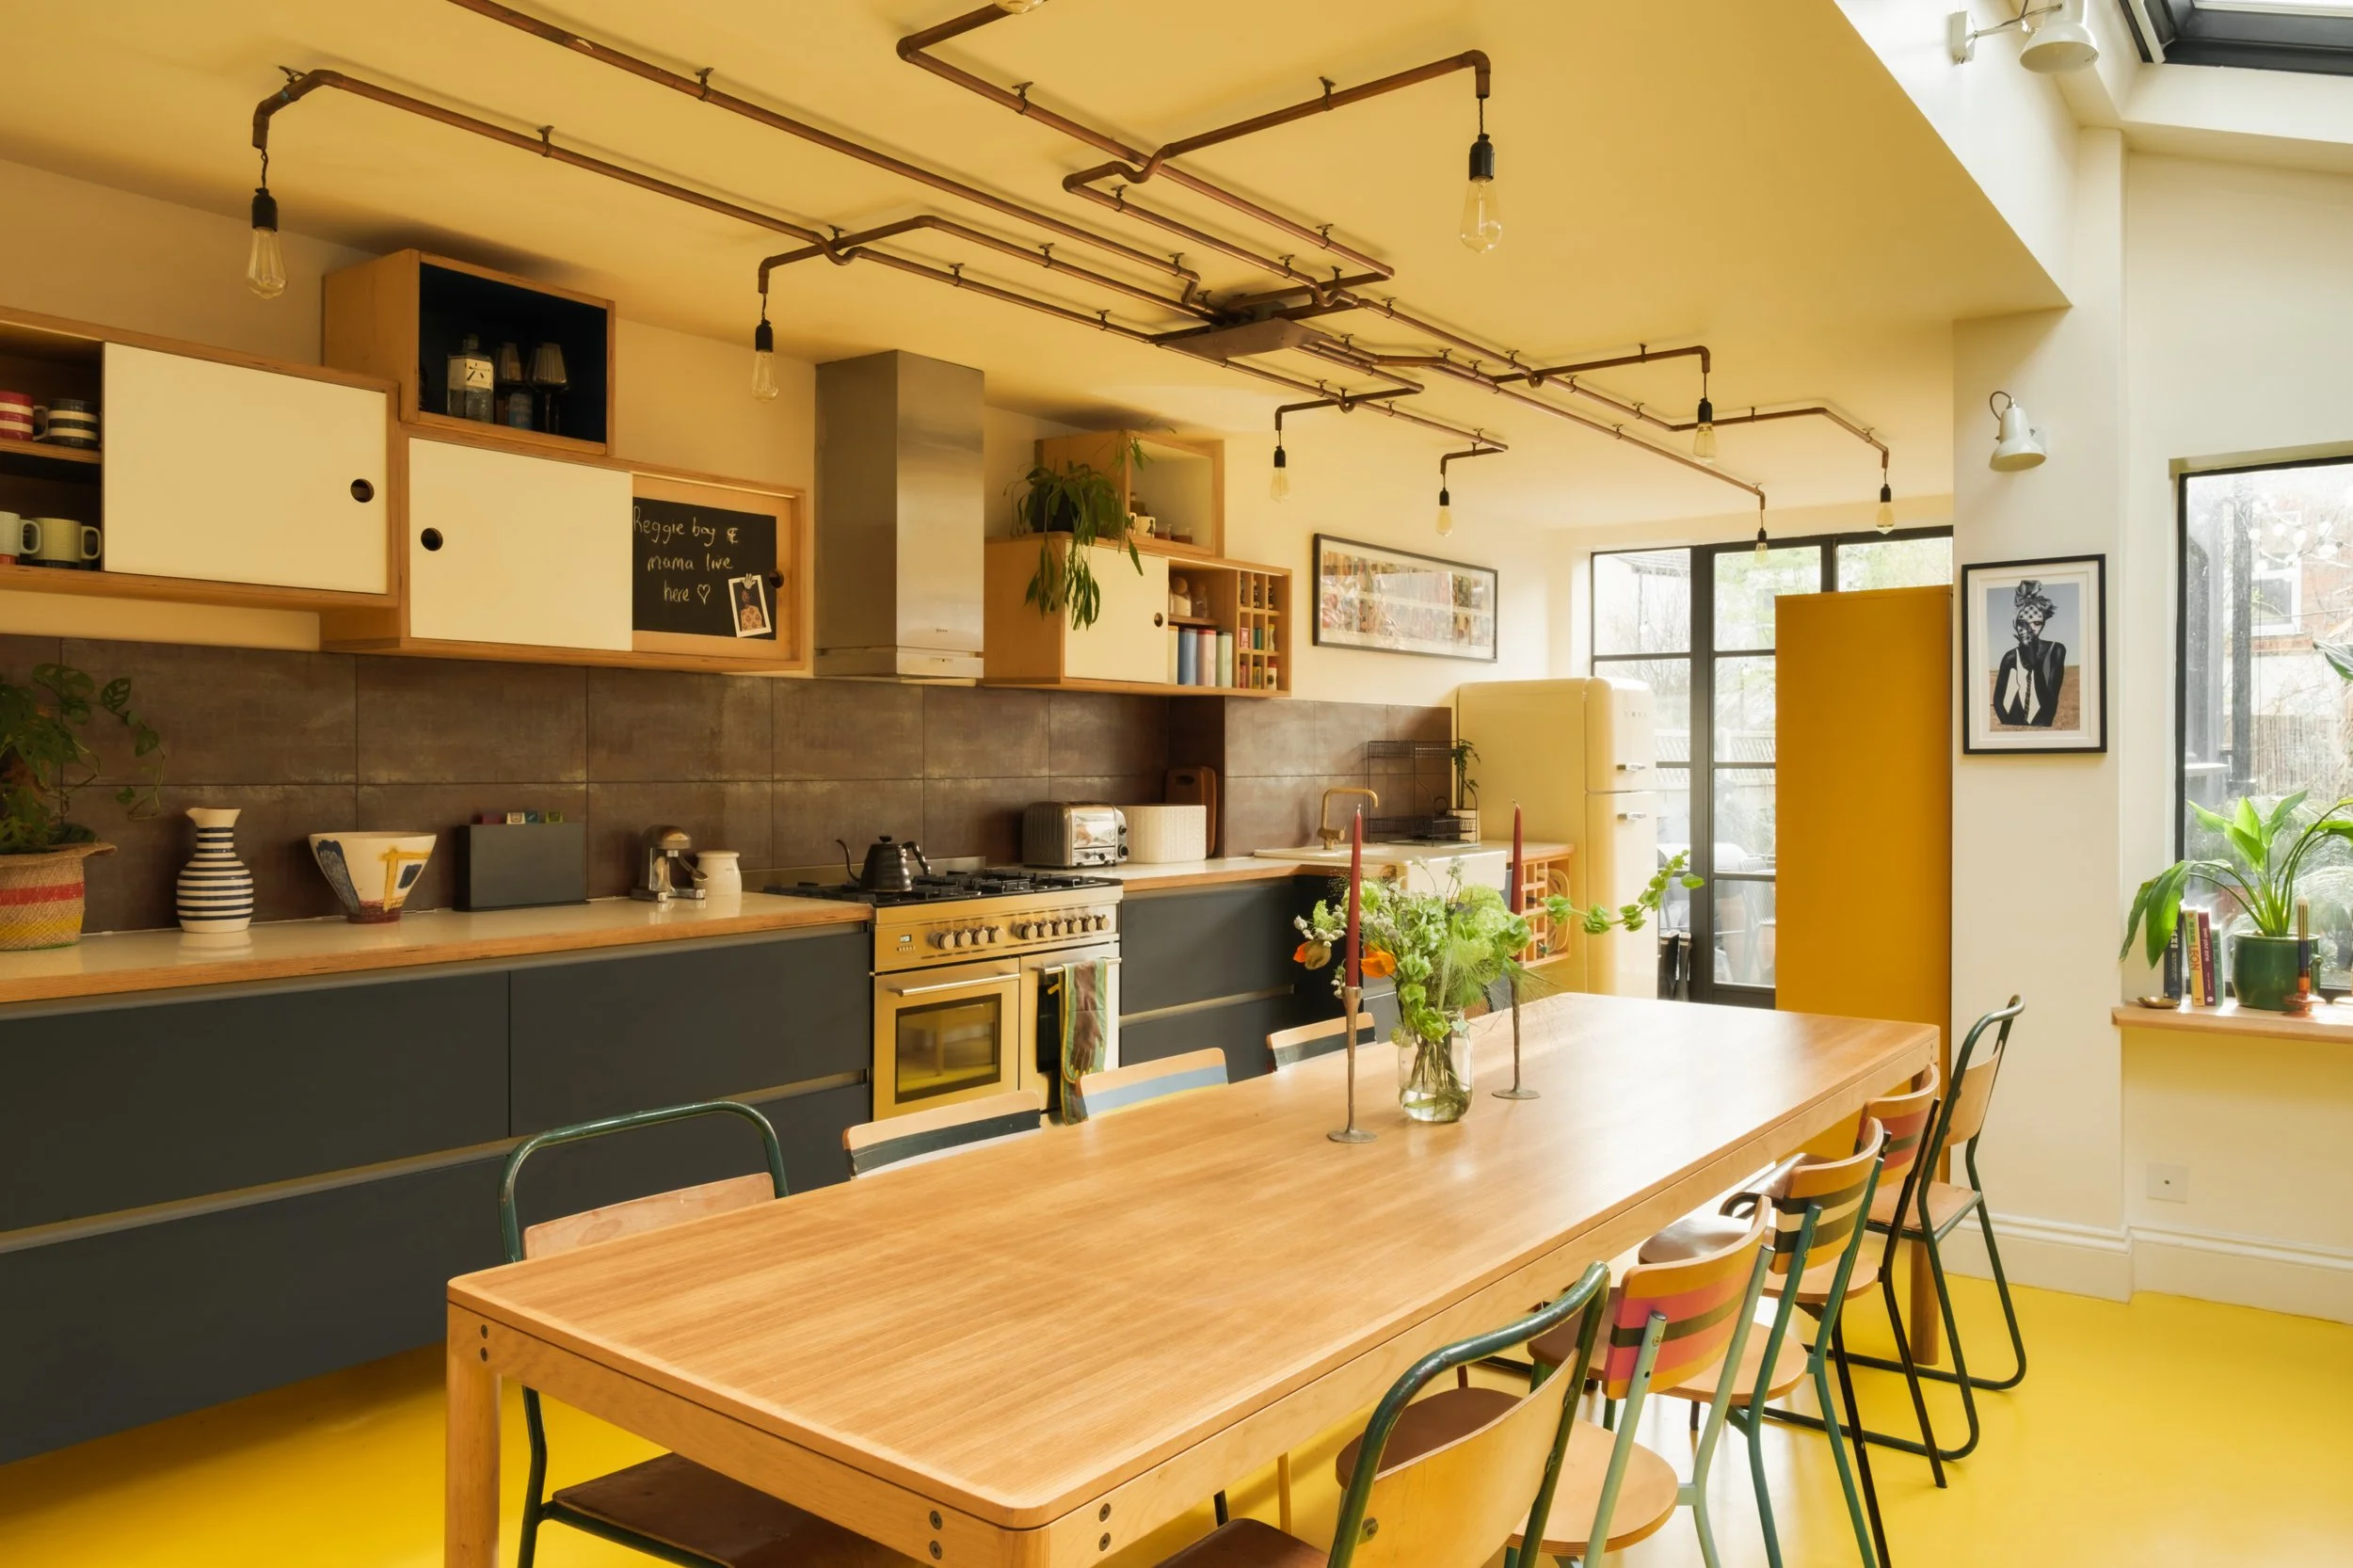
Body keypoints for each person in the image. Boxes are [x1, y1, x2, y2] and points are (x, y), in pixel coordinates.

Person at [1993, 580, 2066, 727]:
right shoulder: (2011, 656)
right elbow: (1998, 700)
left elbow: (2050, 703)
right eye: (2023, 623)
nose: (2030, 629)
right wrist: (2008, 724)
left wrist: (2036, 665)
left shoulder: (2055, 650)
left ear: (2043, 623)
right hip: (2015, 718)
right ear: (2016, 624)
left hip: (2041, 723)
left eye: (2037, 623)